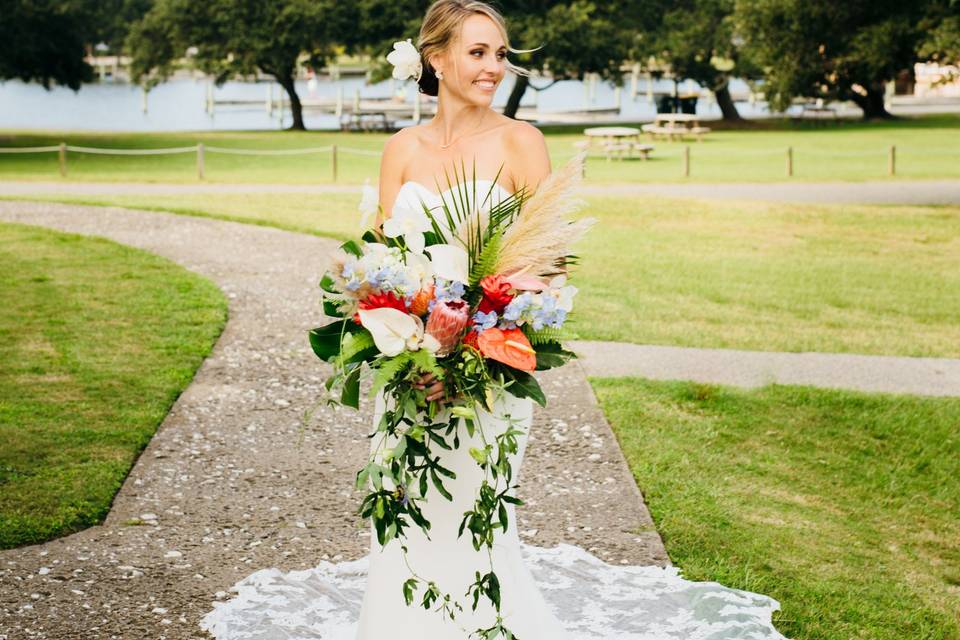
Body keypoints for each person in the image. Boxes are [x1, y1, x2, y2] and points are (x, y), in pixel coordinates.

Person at [198, 2, 792, 639]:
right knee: (403, 516)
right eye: (478, 52)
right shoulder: (399, 150)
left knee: (474, 519)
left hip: (489, 376)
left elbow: (546, 270)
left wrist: (468, 357)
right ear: (436, 59)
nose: (494, 67)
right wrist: (408, 348)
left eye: (500, 54)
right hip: (408, 374)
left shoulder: (520, 142)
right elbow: (378, 264)